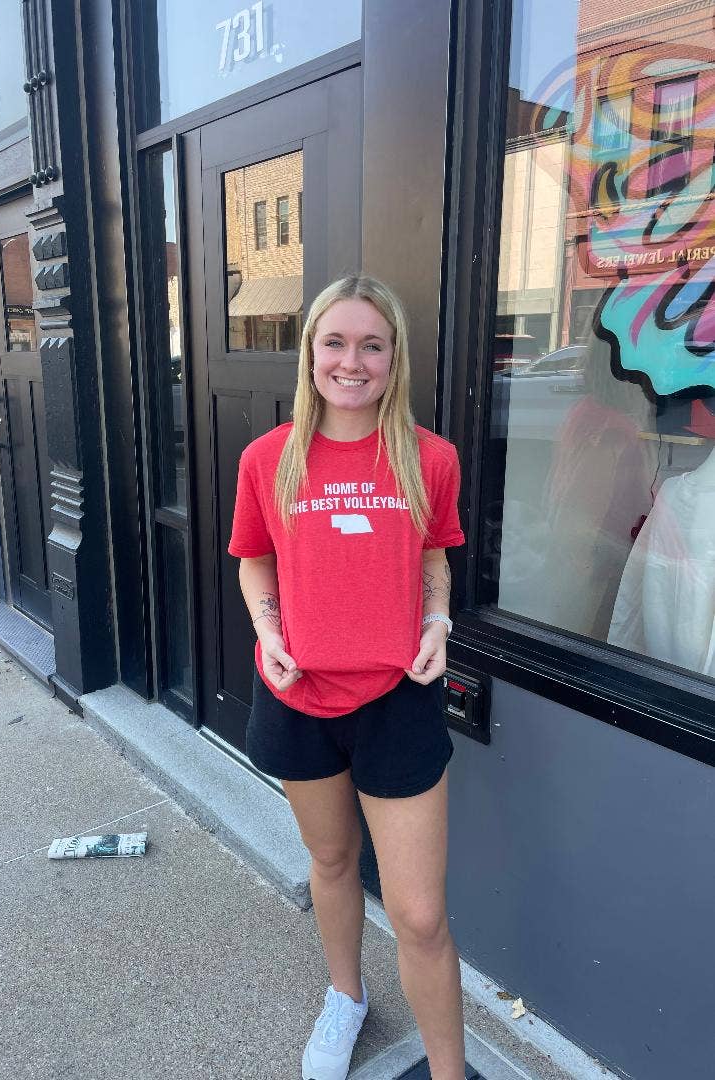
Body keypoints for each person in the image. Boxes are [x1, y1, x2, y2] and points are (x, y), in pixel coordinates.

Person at [228, 274, 466, 1080]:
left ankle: (446, 1070)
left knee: (420, 915)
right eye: (334, 342)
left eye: (371, 345)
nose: (351, 361)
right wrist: (268, 631)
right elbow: (255, 559)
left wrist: (438, 622)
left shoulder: (430, 458)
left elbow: (433, 557)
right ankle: (346, 995)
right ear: (310, 353)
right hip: (298, 696)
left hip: (398, 700)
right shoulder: (269, 458)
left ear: (394, 357)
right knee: (331, 863)